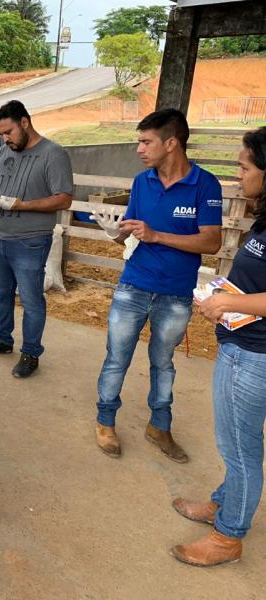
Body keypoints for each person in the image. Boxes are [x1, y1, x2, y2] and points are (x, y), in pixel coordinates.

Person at [91, 109, 222, 461]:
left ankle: (159, 427)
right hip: (133, 285)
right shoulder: (141, 182)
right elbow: (133, 237)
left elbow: (211, 242)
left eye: (146, 142)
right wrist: (114, 234)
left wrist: (157, 235)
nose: (139, 149)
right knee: (116, 358)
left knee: (163, 362)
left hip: (176, 293)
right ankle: (105, 422)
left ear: (171, 143)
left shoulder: (205, 184)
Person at [169, 127, 266, 566]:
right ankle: (224, 504)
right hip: (240, 342)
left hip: (255, 354)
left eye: (244, 167)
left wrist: (229, 300)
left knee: (240, 448)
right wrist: (230, 292)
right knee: (235, 440)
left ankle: (229, 537)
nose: (238, 177)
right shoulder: (264, 217)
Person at [0, 100, 73, 378]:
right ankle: (3, 339)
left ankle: (31, 352)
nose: (5, 139)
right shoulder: (2, 152)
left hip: (31, 241)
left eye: (9, 132)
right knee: (2, 293)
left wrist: (20, 205)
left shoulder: (53, 154)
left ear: (25, 123)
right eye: (1, 134)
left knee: (31, 300)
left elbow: (64, 199)